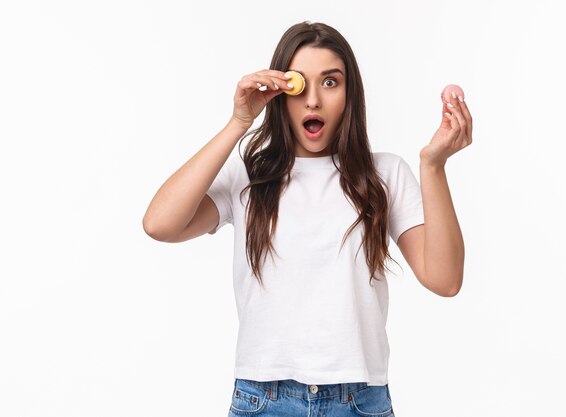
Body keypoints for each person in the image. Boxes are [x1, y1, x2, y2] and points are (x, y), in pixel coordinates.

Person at [143, 20, 472, 417]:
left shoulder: (384, 175)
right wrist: (239, 123)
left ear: (350, 94)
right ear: (280, 95)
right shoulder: (250, 176)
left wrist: (432, 165)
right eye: (299, 84)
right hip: (263, 399)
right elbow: (159, 223)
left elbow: (445, 279)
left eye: (330, 82)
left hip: (359, 401)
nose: (313, 100)